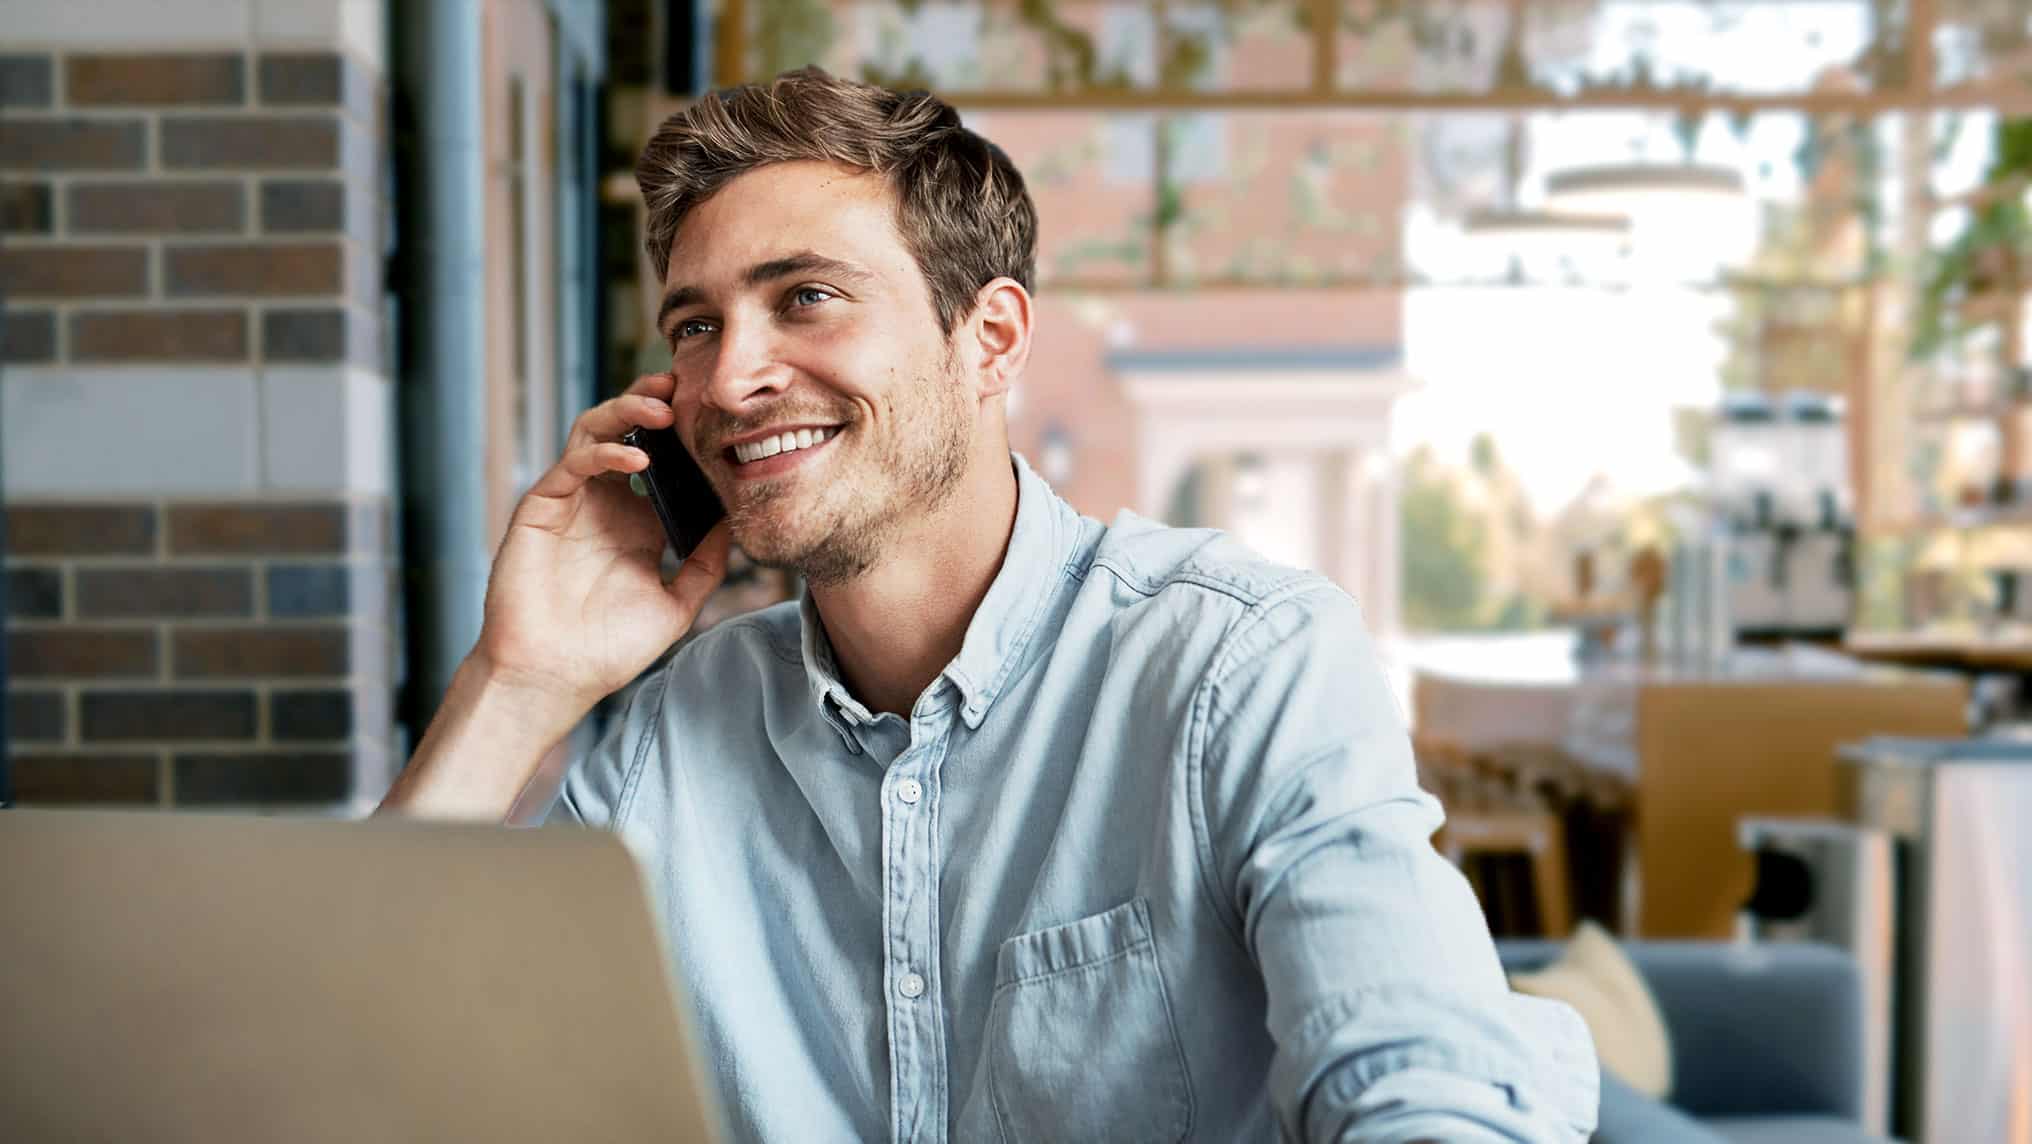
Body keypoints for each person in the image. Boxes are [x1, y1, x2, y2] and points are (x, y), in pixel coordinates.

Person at [380, 67, 1597, 1143]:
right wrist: (517, 683)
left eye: (804, 296)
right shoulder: (666, 740)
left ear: (990, 340)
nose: (729, 378)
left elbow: (1413, 1075)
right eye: (696, 325)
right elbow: (355, 1054)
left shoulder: (1238, 661)